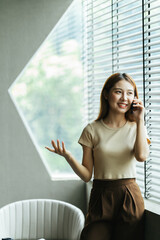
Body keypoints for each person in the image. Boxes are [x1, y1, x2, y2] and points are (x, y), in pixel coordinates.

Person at [45, 73, 150, 240]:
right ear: (106, 94)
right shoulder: (91, 130)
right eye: (118, 92)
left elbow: (142, 156)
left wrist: (140, 120)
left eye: (130, 93)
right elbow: (87, 175)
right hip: (100, 195)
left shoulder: (136, 127)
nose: (124, 98)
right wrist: (68, 156)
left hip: (129, 195)